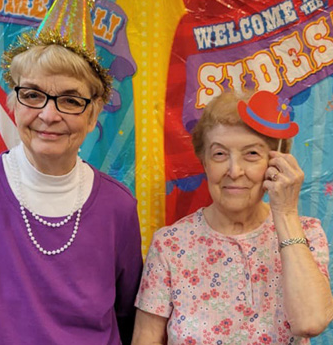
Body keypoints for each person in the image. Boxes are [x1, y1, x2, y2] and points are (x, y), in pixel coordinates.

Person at [0, 0, 142, 345]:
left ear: (94, 112)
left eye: (70, 100)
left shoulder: (118, 206)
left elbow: (129, 319)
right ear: (13, 101)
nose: (49, 114)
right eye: (33, 94)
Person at [132, 91, 333, 344]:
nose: (234, 171)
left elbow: (310, 322)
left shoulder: (306, 233)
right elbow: (145, 339)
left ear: (276, 163)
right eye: (219, 154)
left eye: (251, 154)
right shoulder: (169, 245)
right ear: (204, 162)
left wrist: (285, 213)